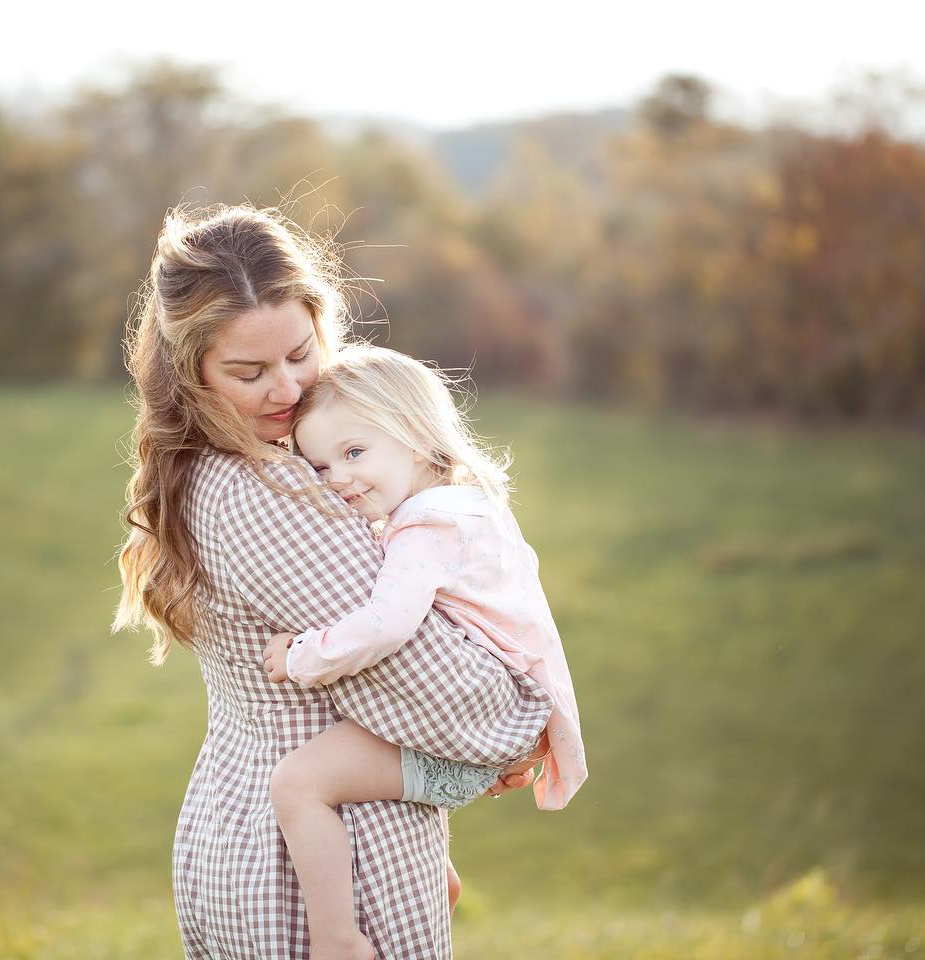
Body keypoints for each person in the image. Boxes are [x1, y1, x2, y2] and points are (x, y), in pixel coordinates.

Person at [112, 203, 553, 960]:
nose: (285, 388)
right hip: (329, 869)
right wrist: (517, 729)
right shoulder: (269, 494)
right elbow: (416, 668)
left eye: (299, 353)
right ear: (190, 374)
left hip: (242, 831)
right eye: (248, 373)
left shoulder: (222, 468)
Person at [260, 345, 587, 960]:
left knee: (298, 783)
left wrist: (303, 656)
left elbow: (387, 625)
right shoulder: (474, 507)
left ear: (414, 437)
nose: (338, 479)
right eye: (320, 466)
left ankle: (337, 941)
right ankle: (436, 882)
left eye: (354, 452)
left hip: (479, 726)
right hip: (501, 718)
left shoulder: (425, 528)